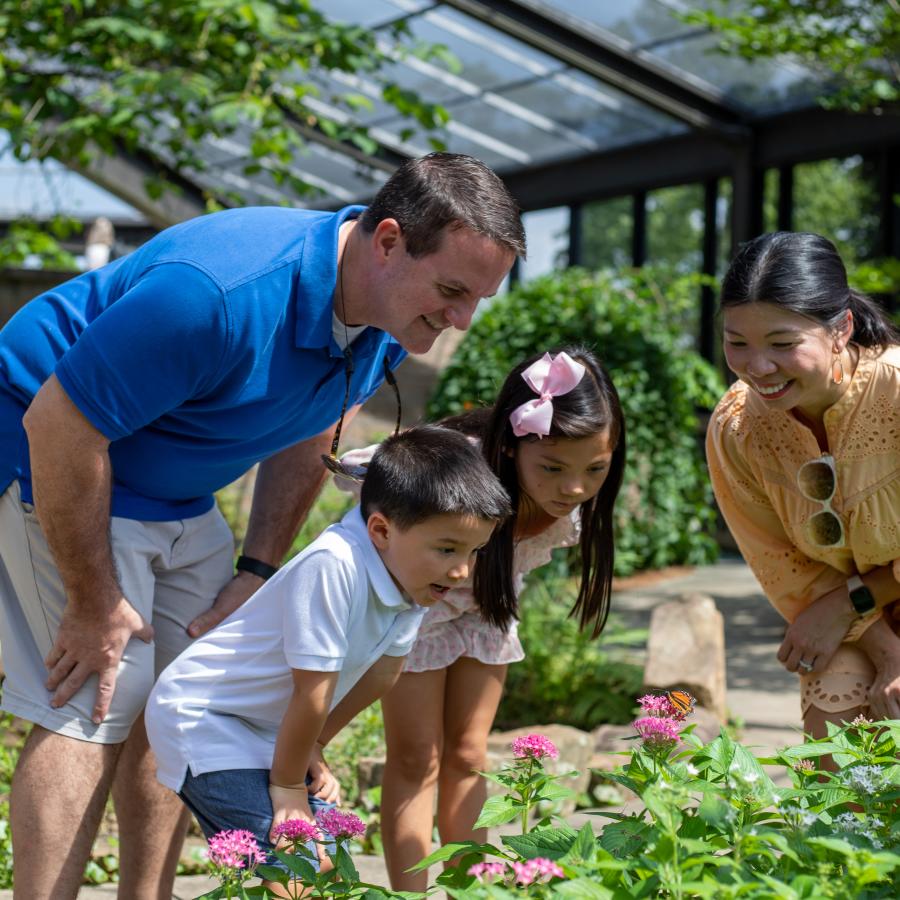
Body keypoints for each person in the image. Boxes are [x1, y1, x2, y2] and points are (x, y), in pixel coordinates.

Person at [0, 152, 524, 898]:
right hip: (51, 453)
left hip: (176, 489)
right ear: (386, 242)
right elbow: (58, 425)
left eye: (477, 299)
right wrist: (92, 601)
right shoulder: (217, 293)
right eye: (451, 290)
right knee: (99, 695)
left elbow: (316, 427)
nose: (460, 318)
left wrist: (257, 571)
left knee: (188, 692)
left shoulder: (384, 315)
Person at [145, 425, 511, 897]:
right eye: (447, 549)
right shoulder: (334, 564)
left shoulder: (413, 580)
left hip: (262, 728)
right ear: (381, 529)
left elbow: (383, 676)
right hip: (204, 718)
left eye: (473, 552)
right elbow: (311, 691)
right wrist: (290, 787)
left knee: (331, 864)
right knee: (295, 871)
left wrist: (314, 744)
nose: (462, 571)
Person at [340, 346, 626, 891]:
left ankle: (470, 885)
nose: (573, 488)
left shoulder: (567, 499)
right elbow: (372, 473)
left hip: (486, 609)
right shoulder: (462, 466)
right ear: (509, 446)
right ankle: (410, 891)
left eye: (595, 469)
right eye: (552, 467)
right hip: (416, 610)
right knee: (415, 756)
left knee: (471, 753)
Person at [706, 231, 900, 748]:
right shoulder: (736, 427)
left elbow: (834, 605)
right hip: (853, 616)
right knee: (836, 781)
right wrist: (882, 644)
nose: (758, 368)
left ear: (841, 329)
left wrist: (849, 602)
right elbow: (779, 561)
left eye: (783, 344)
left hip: (847, 605)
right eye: (737, 342)